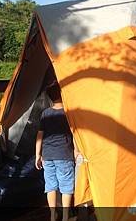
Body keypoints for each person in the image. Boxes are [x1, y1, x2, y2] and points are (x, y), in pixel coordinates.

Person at [35, 81, 76, 221]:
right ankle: (65, 217)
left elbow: (39, 135)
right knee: (66, 186)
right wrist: (76, 150)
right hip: (64, 155)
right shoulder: (68, 113)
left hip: (48, 156)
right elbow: (74, 133)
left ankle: (53, 214)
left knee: (50, 186)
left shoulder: (45, 113)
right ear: (62, 93)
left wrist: (37, 155)